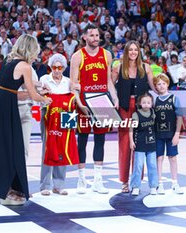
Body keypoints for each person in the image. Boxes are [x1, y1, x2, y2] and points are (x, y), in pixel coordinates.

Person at [0, 34, 52, 206]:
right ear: (30, 49)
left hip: (0, 103)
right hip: (7, 107)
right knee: (10, 148)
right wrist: (45, 99)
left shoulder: (8, 61)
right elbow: (32, 95)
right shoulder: (25, 66)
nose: (37, 54)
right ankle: (6, 192)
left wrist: (39, 85)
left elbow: (16, 91)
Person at [70, 24, 118, 194]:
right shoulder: (77, 56)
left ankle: (98, 180)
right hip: (83, 102)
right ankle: (81, 179)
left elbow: (108, 81)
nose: (95, 38)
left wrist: (115, 97)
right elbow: (73, 84)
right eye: (92, 35)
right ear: (84, 37)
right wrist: (78, 102)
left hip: (101, 101)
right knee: (82, 140)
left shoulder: (107, 55)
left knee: (100, 140)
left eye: (97, 35)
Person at [111, 40, 155, 193]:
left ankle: (136, 181)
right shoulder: (118, 67)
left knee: (139, 145)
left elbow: (154, 87)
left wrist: (164, 91)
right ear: (126, 52)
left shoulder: (146, 68)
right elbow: (109, 86)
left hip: (140, 111)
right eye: (130, 50)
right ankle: (124, 181)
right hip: (123, 109)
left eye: (135, 50)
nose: (133, 52)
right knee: (124, 145)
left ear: (139, 52)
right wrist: (114, 98)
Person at [39, 54, 75, 196]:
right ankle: (45, 185)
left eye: (60, 67)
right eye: (54, 67)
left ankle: (59, 185)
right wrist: (42, 93)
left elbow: (74, 98)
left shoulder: (68, 82)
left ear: (64, 68)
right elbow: (39, 95)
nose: (57, 70)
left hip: (66, 115)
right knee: (48, 148)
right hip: (48, 114)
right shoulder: (44, 79)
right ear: (51, 67)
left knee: (63, 147)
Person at [154, 74, 184, 195]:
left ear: (167, 84)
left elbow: (180, 117)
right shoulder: (154, 100)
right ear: (155, 86)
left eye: (163, 83)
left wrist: (177, 134)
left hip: (171, 133)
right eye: (158, 84)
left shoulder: (174, 98)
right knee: (159, 158)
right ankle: (159, 184)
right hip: (158, 134)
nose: (161, 86)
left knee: (172, 158)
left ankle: (175, 183)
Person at [129, 93, 158, 196]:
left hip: (151, 144)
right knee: (138, 166)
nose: (146, 104)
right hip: (139, 144)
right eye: (144, 102)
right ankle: (135, 186)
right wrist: (131, 141)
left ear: (151, 103)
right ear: (140, 103)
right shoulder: (136, 114)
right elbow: (131, 129)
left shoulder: (153, 113)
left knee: (153, 165)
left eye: (148, 102)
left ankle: (153, 186)